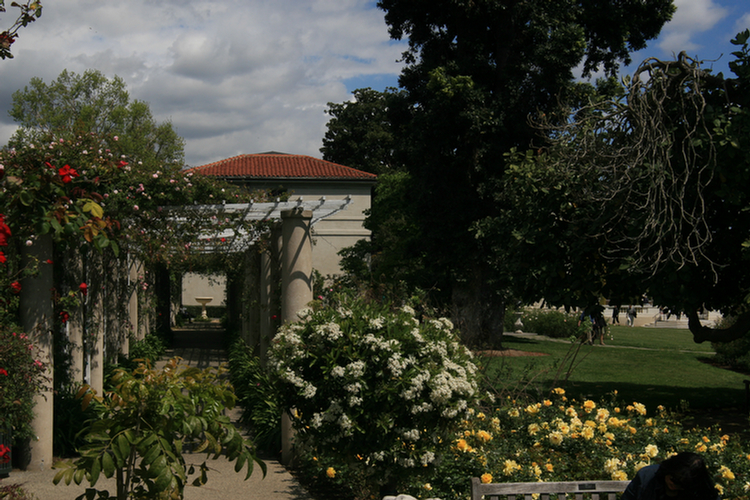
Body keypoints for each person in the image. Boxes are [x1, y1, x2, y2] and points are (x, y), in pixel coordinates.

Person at [621, 452, 719, 500]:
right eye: (673, 479)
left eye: (682, 485)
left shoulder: (702, 490)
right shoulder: (646, 478)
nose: (675, 485)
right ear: (668, 469)